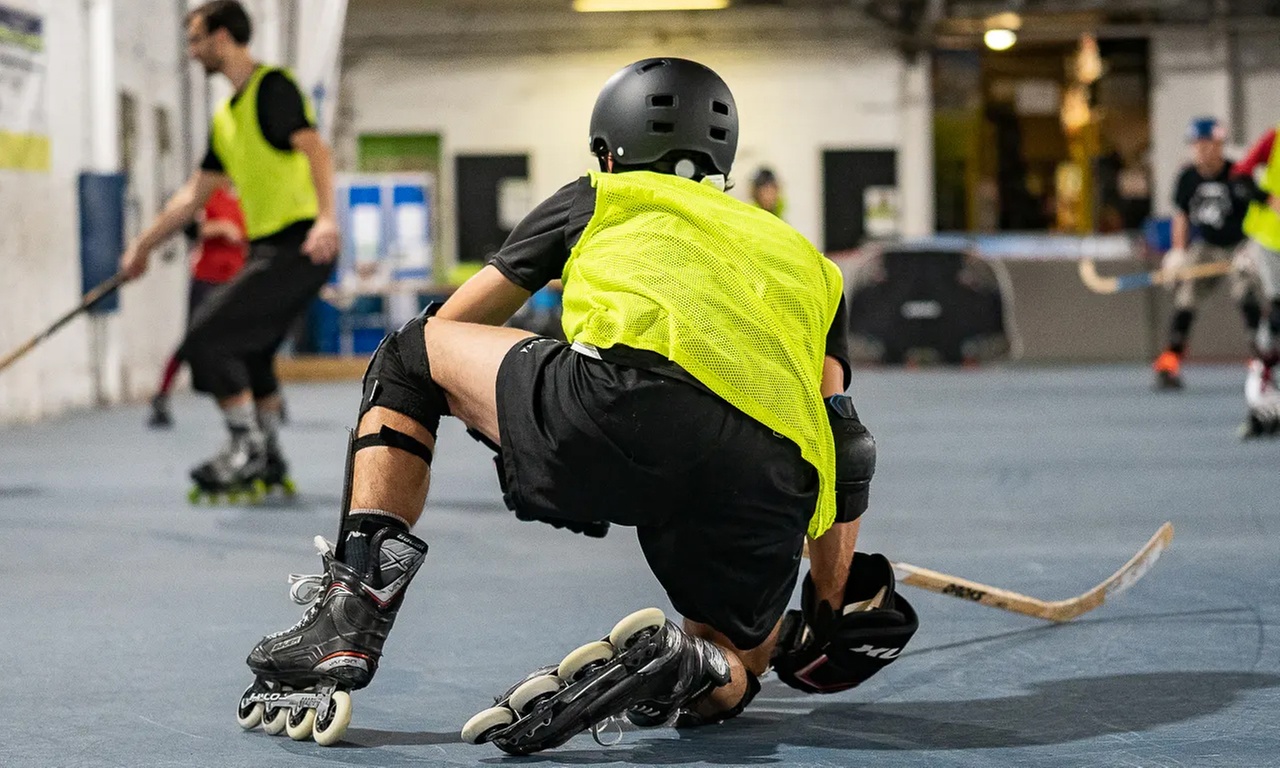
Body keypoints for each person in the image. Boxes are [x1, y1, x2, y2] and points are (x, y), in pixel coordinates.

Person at [233, 58, 917, 750]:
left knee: (408, 354)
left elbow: (450, 328)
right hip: (767, 475)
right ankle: (687, 663)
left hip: (624, 409)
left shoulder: (599, 195)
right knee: (739, 661)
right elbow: (844, 444)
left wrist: (501, 402)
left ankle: (349, 614)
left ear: (608, 150)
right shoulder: (812, 264)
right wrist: (829, 604)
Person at [120, 0, 339, 498]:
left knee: (208, 337)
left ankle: (246, 449)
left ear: (222, 37)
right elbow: (191, 198)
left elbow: (317, 150)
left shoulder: (273, 88)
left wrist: (327, 219)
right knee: (251, 351)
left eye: (196, 40)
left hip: (301, 244)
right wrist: (143, 246)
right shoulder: (226, 117)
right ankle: (268, 454)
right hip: (266, 249)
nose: (191, 51)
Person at [1152, 117, 1260, 390]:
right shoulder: (1187, 177)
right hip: (1207, 246)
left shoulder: (1238, 173)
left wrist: (1252, 248)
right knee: (1187, 296)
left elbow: (1258, 212)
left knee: (1245, 293)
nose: (1202, 150)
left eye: (1208, 144)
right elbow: (1181, 216)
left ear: (1220, 145)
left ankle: (1261, 358)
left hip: (1238, 246)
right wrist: (1178, 251)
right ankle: (1170, 360)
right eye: (1197, 145)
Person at [148, 186, 248, 428]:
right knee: (194, 338)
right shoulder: (209, 194)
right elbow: (190, 228)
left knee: (244, 341)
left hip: (237, 278)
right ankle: (162, 395)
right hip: (207, 279)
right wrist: (220, 228)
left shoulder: (248, 198)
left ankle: (261, 400)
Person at [1231, 122, 1280, 435]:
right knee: (1277, 312)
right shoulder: (1275, 138)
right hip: (1272, 242)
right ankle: (1262, 391)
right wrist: (1267, 198)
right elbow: (1239, 178)